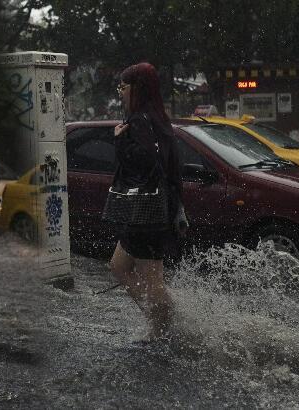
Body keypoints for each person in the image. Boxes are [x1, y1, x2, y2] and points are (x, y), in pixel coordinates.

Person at [105, 62, 184, 341]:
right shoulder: (158, 118)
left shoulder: (139, 120)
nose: (120, 93)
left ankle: (166, 327)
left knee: (150, 277)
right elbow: (171, 166)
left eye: (123, 87)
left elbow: (143, 162)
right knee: (119, 266)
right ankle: (161, 323)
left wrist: (120, 142)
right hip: (155, 209)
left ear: (136, 88)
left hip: (145, 212)